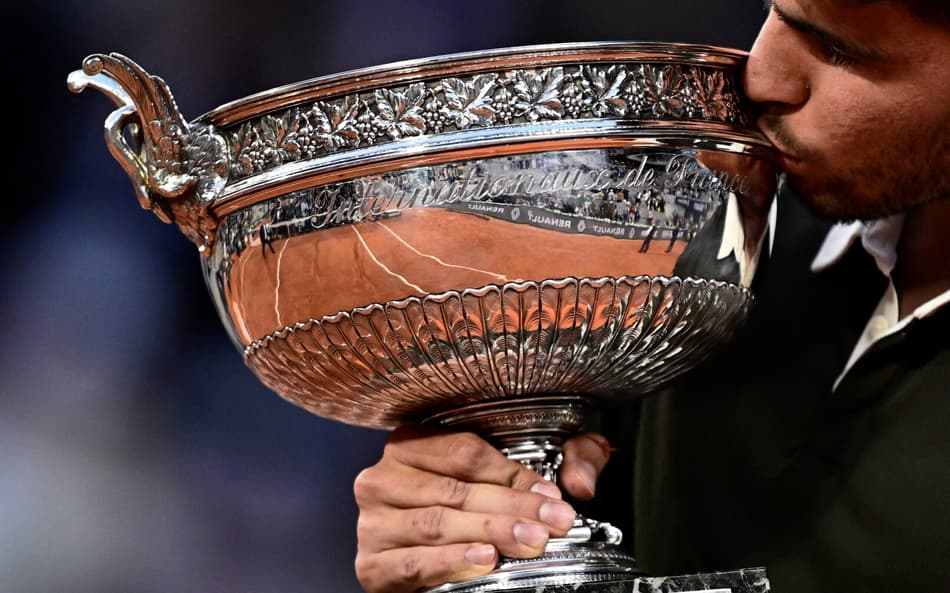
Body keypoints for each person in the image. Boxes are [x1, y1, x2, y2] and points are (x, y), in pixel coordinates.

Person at [351, 1, 949, 592]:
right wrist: (455, 527)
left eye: (840, 50)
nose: (759, 76)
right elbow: (531, 535)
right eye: (773, 9)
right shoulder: (719, 249)